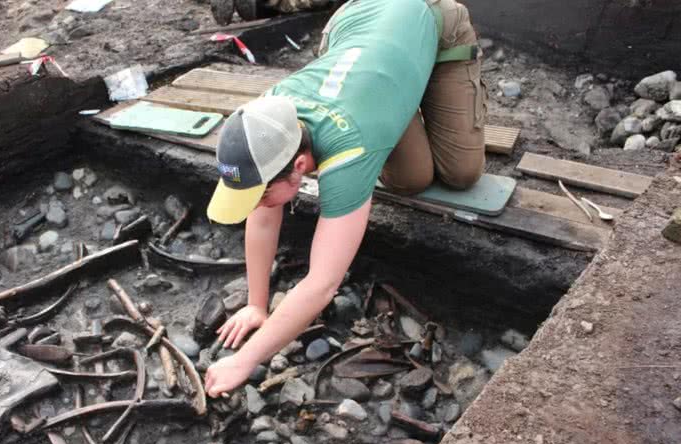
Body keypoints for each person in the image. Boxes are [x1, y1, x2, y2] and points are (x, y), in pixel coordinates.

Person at [204, 0, 487, 397]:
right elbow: (265, 215)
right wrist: (256, 304)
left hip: (426, 16)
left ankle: (411, 80)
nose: (257, 206)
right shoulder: (265, 116)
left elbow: (322, 284)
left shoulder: (348, 152)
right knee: (411, 180)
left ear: (300, 165)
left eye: (260, 194)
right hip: (352, 22)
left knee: (460, 173)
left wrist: (244, 360)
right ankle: (394, 89)